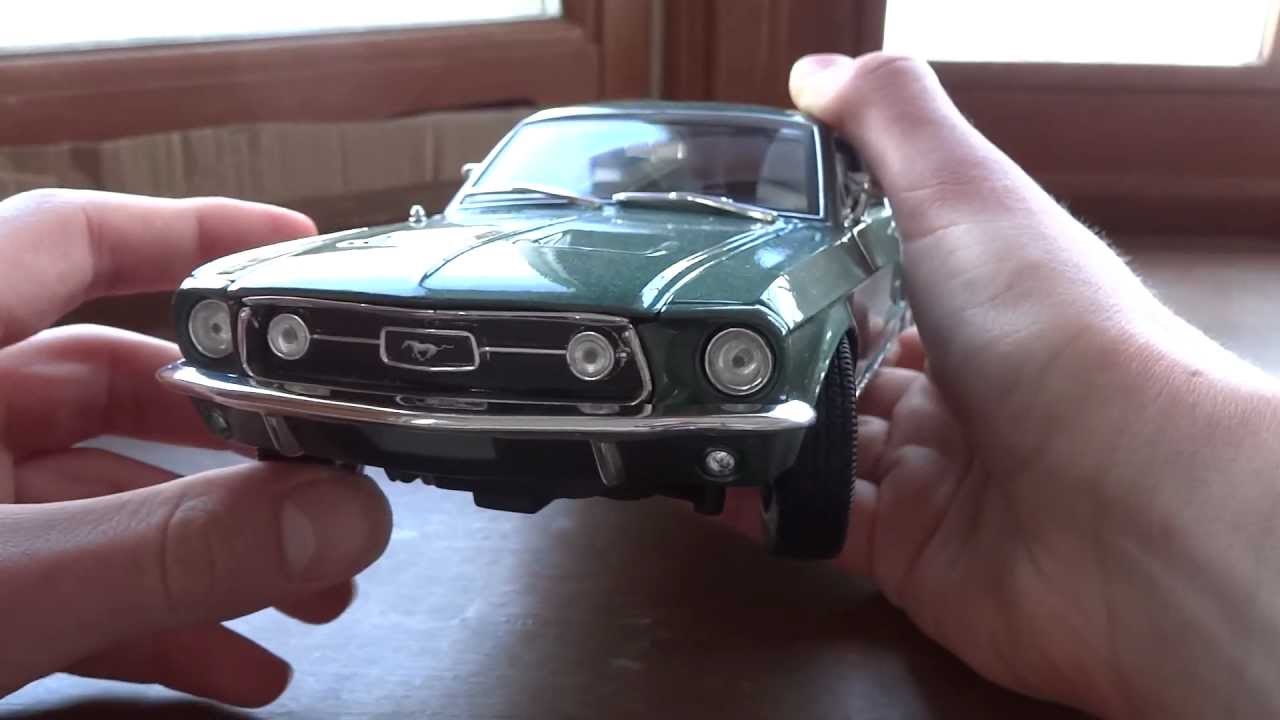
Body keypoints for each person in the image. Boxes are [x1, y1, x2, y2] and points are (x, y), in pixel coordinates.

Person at [0, 51, 1275, 716]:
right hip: (502, 335)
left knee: (761, 407)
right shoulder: (455, 222)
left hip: (691, 356)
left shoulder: (821, 231)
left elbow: (769, 333)